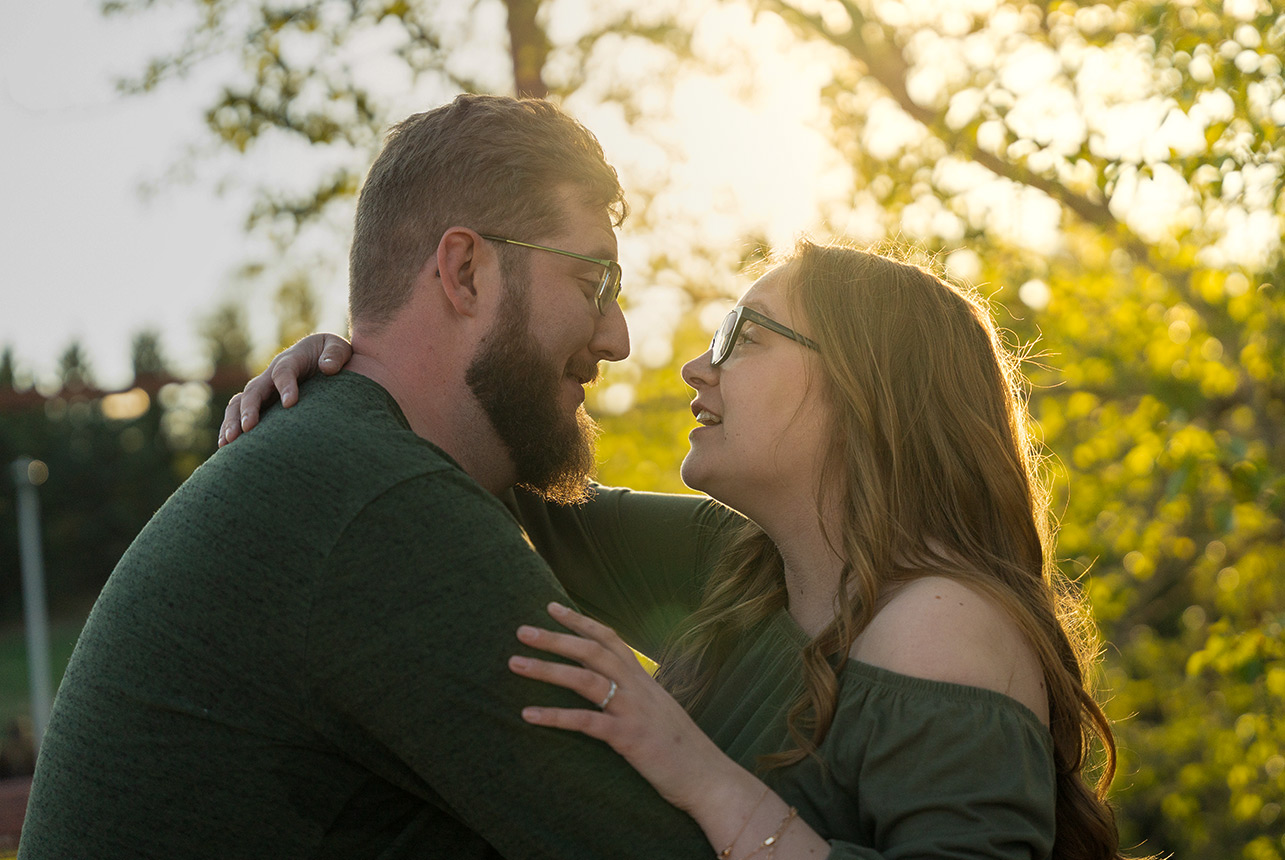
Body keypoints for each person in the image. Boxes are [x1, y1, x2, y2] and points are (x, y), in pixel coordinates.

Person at [220, 241, 1133, 859]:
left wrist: (695, 771)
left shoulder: (943, 626)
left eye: (742, 336)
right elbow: (482, 481)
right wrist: (368, 377)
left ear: (866, 384)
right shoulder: (738, 563)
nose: (698, 365)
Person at [19, 94, 722, 859]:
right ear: (464, 272)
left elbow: (718, 555)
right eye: (594, 284)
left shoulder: (346, 462)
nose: (618, 337)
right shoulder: (385, 512)